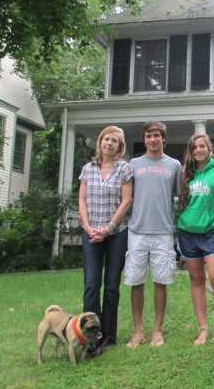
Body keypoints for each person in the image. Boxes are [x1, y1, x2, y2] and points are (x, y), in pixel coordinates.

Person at [124, 121, 182, 348]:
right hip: (137, 230)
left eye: (156, 136)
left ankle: (157, 330)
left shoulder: (174, 165)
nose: (152, 140)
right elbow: (127, 196)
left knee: (161, 281)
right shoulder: (134, 164)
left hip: (163, 232)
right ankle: (138, 331)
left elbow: (180, 197)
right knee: (135, 281)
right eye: (149, 136)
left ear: (163, 139)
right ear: (144, 139)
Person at [78, 125, 133, 354]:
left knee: (111, 286)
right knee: (91, 284)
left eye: (114, 141)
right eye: (106, 139)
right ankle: (90, 335)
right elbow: (81, 200)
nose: (109, 143)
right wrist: (89, 227)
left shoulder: (124, 169)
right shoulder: (87, 169)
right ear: (100, 142)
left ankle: (108, 336)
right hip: (91, 234)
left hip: (117, 233)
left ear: (120, 147)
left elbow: (127, 201)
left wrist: (109, 228)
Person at [177, 133, 214, 345]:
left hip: (211, 232)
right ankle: (203, 328)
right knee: (197, 280)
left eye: (202, 146)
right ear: (191, 152)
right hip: (187, 232)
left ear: (210, 149)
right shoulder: (185, 173)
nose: (198, 150)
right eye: (194, 147)